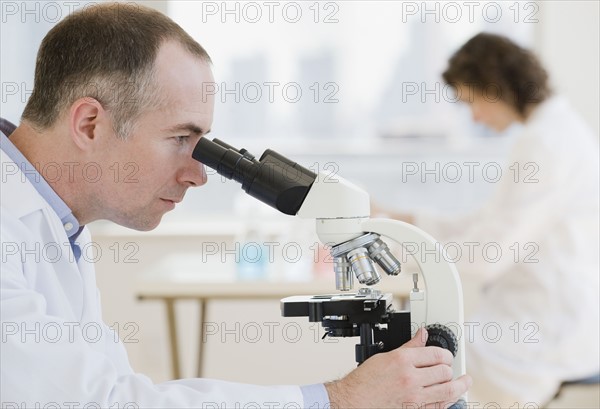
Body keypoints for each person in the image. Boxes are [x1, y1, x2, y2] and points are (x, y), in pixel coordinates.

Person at [0, 3, 471, 408]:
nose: (198, 173)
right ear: (88, 125)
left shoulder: (61, 227)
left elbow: (112, 388)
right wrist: (339, 399)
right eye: (180, 138)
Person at [379, 33, 599, 407]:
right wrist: (405, 220)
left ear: (494, 85)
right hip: (544, 313)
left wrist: (401, 255)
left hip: (549, 330)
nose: (475, 116)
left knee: (424, 361)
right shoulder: (552, 132)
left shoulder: (545, 143)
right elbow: (487, 223)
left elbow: (488, 254)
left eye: (471, 101)